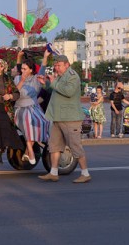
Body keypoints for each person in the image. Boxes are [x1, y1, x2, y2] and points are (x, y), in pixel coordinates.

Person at [37, 55, 91, 183]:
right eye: (55, 65)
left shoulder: (73, 76)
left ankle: (85, 173)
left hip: (70, 118)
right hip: (57, 117)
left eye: (59, 65)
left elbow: (68, 92)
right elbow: (55, 91)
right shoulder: (60, 77)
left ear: (67, 65)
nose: (56, 67)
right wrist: (46, 84)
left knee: (75, 146)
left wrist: (54, 82)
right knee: (54, 146)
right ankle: (53, 172)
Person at [14, 50, 51, 165]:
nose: (22, 71)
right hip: (21, 108)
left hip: (34, 108)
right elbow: (16, 92)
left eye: (25, 69)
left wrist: (45, 56)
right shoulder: (17, 79)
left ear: (31, 70)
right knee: (28, 121)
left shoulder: (36, 79)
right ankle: (30, 150)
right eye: (22, 69)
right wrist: (23, 79)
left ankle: (27, 151)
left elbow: (43, 68)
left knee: (41, 122)